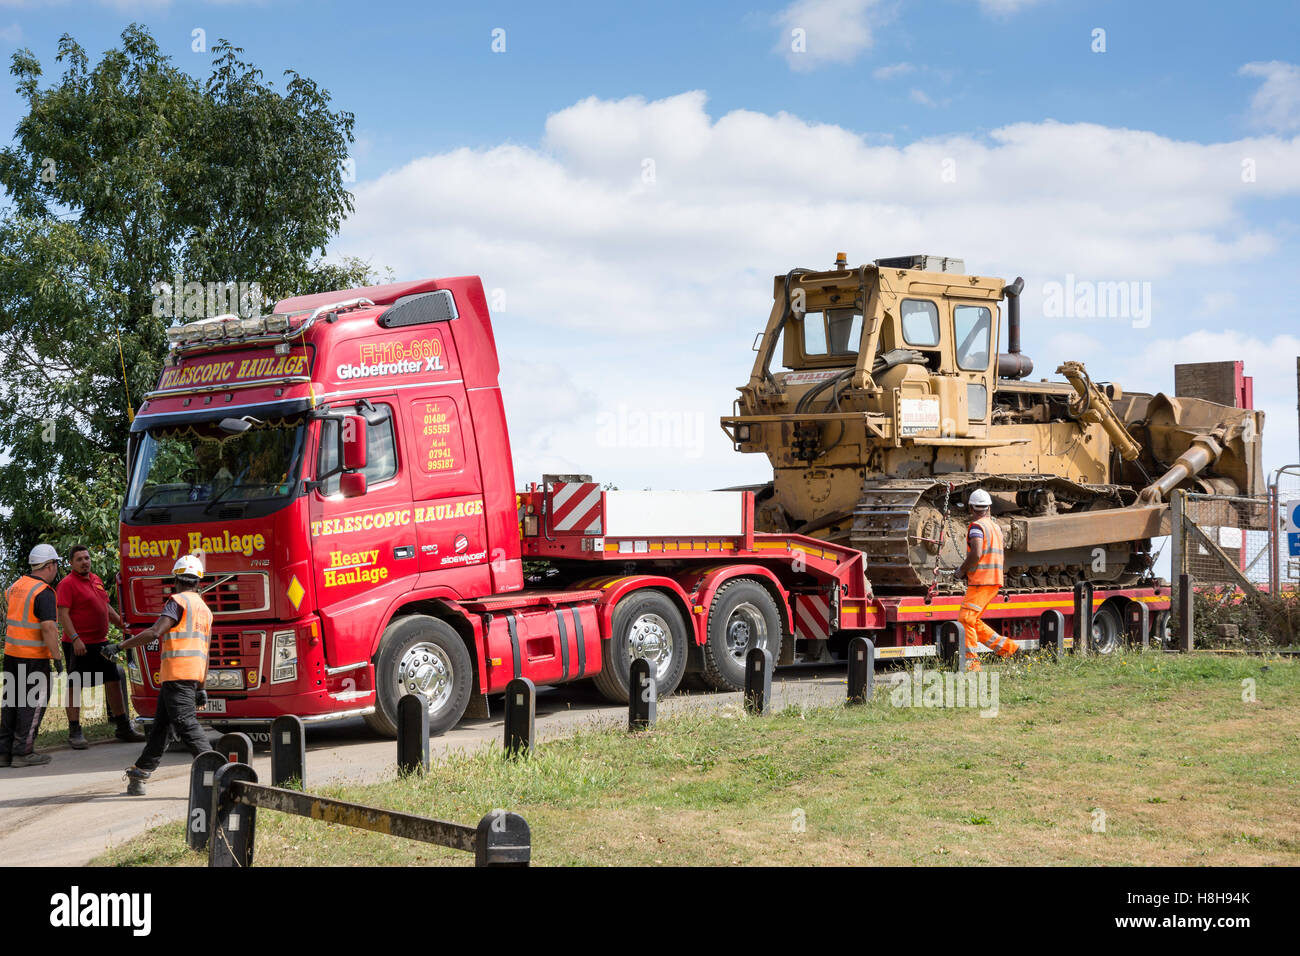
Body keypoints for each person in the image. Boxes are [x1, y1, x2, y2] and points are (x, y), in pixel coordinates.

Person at [104, 554, 214, 794]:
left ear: (176, 579)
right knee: (161, 728)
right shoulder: (205, 610)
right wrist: (202, 687)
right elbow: (205, 651)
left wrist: (119, 646)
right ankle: (140, 773)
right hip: (190, 676)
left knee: (186, 724)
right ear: (198, 581)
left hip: (177, 675)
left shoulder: (177, 602)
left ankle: (217, 770)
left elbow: (155, 632)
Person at [56, 544, 145, 747]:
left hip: (102, 643)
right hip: (78, 644)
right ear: (71, 563)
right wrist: (76, 638)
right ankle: (75, 731)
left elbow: (105, 608)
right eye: (79, 559)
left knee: (113, 680)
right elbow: (63, 614)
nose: (84, 562)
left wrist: (125, 626)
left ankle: (123, 728)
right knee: (74, 686)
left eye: (87, 558)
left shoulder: (96, 579)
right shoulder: (67, 584)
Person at [1, 544, 66, 767]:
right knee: (32, 703)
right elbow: (48, 628)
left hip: (11, 655)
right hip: (33, 658)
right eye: (56, 564)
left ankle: (4, 752)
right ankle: (23, 752)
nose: (56, 569)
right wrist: (57, 658)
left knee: (11, 702)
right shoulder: (44, 592)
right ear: (49, 565)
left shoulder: (15, 586)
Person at [956, 488, 1019, 671]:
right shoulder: (995, 527)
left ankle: (972, 664)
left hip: (981, 581)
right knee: (973, 620)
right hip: (994, 580)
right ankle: (1009, 649)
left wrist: (960, 570)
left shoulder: (977, 527)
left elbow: (976, 554)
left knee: (966, 619)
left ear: (971, 509)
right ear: (989, 508)